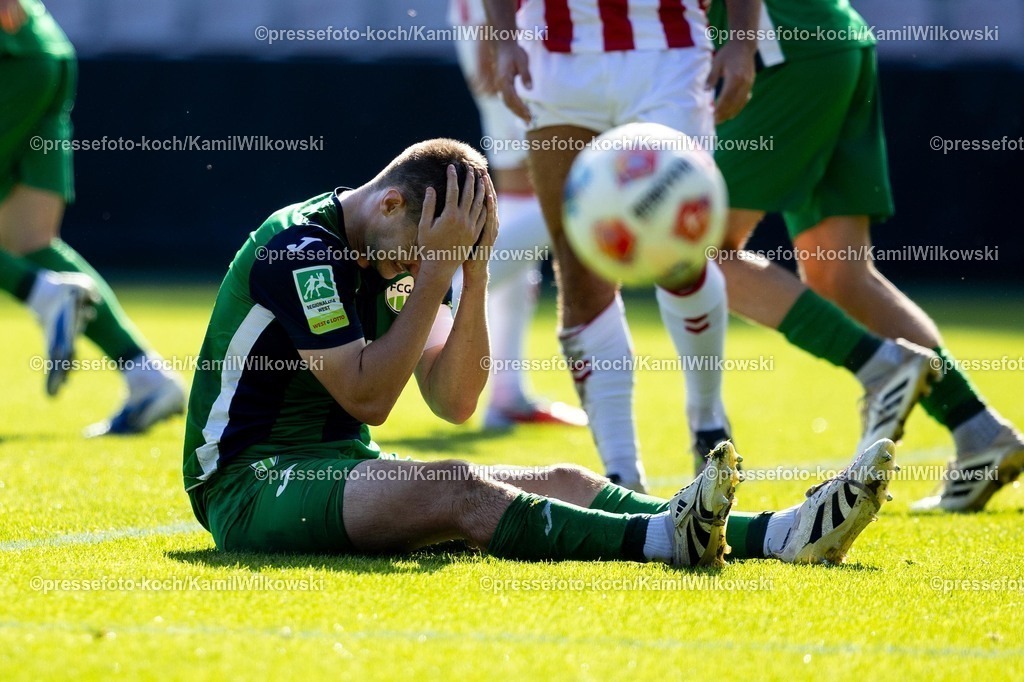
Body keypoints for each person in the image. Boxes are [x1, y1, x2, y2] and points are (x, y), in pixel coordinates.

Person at [182, 138, 897, 567]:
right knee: (456, 490)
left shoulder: (409, 251)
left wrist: (475, 271)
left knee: (562, 475)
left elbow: (453, 400)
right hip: (248, 485)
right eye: (416, 257)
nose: (408, 272)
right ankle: (661, 541)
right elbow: (368, 398)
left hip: (337, 466)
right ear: (394, 204)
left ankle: (776, 533)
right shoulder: (303, 252)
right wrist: (434, 272)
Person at [707, 0, 1024, 512]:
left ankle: (880, 366)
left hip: (780, 49)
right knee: (840, 275)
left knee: (694, 254)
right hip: (833, 40)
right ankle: (980, 431)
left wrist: (740, 43)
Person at [485, 0, 760, 490]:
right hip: (553, 54)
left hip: (667, 51)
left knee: (681, 256)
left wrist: (742, 39)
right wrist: (504, 36)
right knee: (579, 266)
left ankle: (707, 419)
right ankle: (623, 481)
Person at [0, 0, 184, 434]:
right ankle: (148, 378)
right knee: (31, 242)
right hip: (42, 52)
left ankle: (43, 293)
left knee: (30, 253)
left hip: (11, 58)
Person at [448, 0, 587, 430]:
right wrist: (499, 35)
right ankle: (433, 299)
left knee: (524, 197)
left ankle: (506, 393)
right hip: (518, 28)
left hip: (521, 27)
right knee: (580, 194)